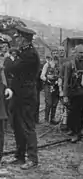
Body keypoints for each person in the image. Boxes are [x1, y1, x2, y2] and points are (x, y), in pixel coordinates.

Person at [4, 25, 40, 170]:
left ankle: (32, 158)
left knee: (27, 126)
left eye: (18, 37)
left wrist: (7, 59)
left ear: (24, 39)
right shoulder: (23, 52)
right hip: (18, 94)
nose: (16, 39)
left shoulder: (30, 54)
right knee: (17, 126)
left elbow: (11, 68)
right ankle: (19, 156)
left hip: (26, 96)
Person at [63, 44, 83, 143]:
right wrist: (65, 95)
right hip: (74, 93)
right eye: (80, 53)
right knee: (75, 114)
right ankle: (76, 133)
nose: (82, 55)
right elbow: (66, 80)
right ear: (76, 52)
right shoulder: (69, 64)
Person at [40, 52, 60, 125]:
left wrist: (58, 81)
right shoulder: (47, 65)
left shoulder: (59, 65)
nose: (55, 54)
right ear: (51, 55)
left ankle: (52, 118)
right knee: (49, 102)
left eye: (56, 53)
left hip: (56, 85)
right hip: (48, 85)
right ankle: (46, 120)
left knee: (55, 102)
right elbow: (42, 76)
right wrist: (47, 79)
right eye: (54, 53)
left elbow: (61, 74)